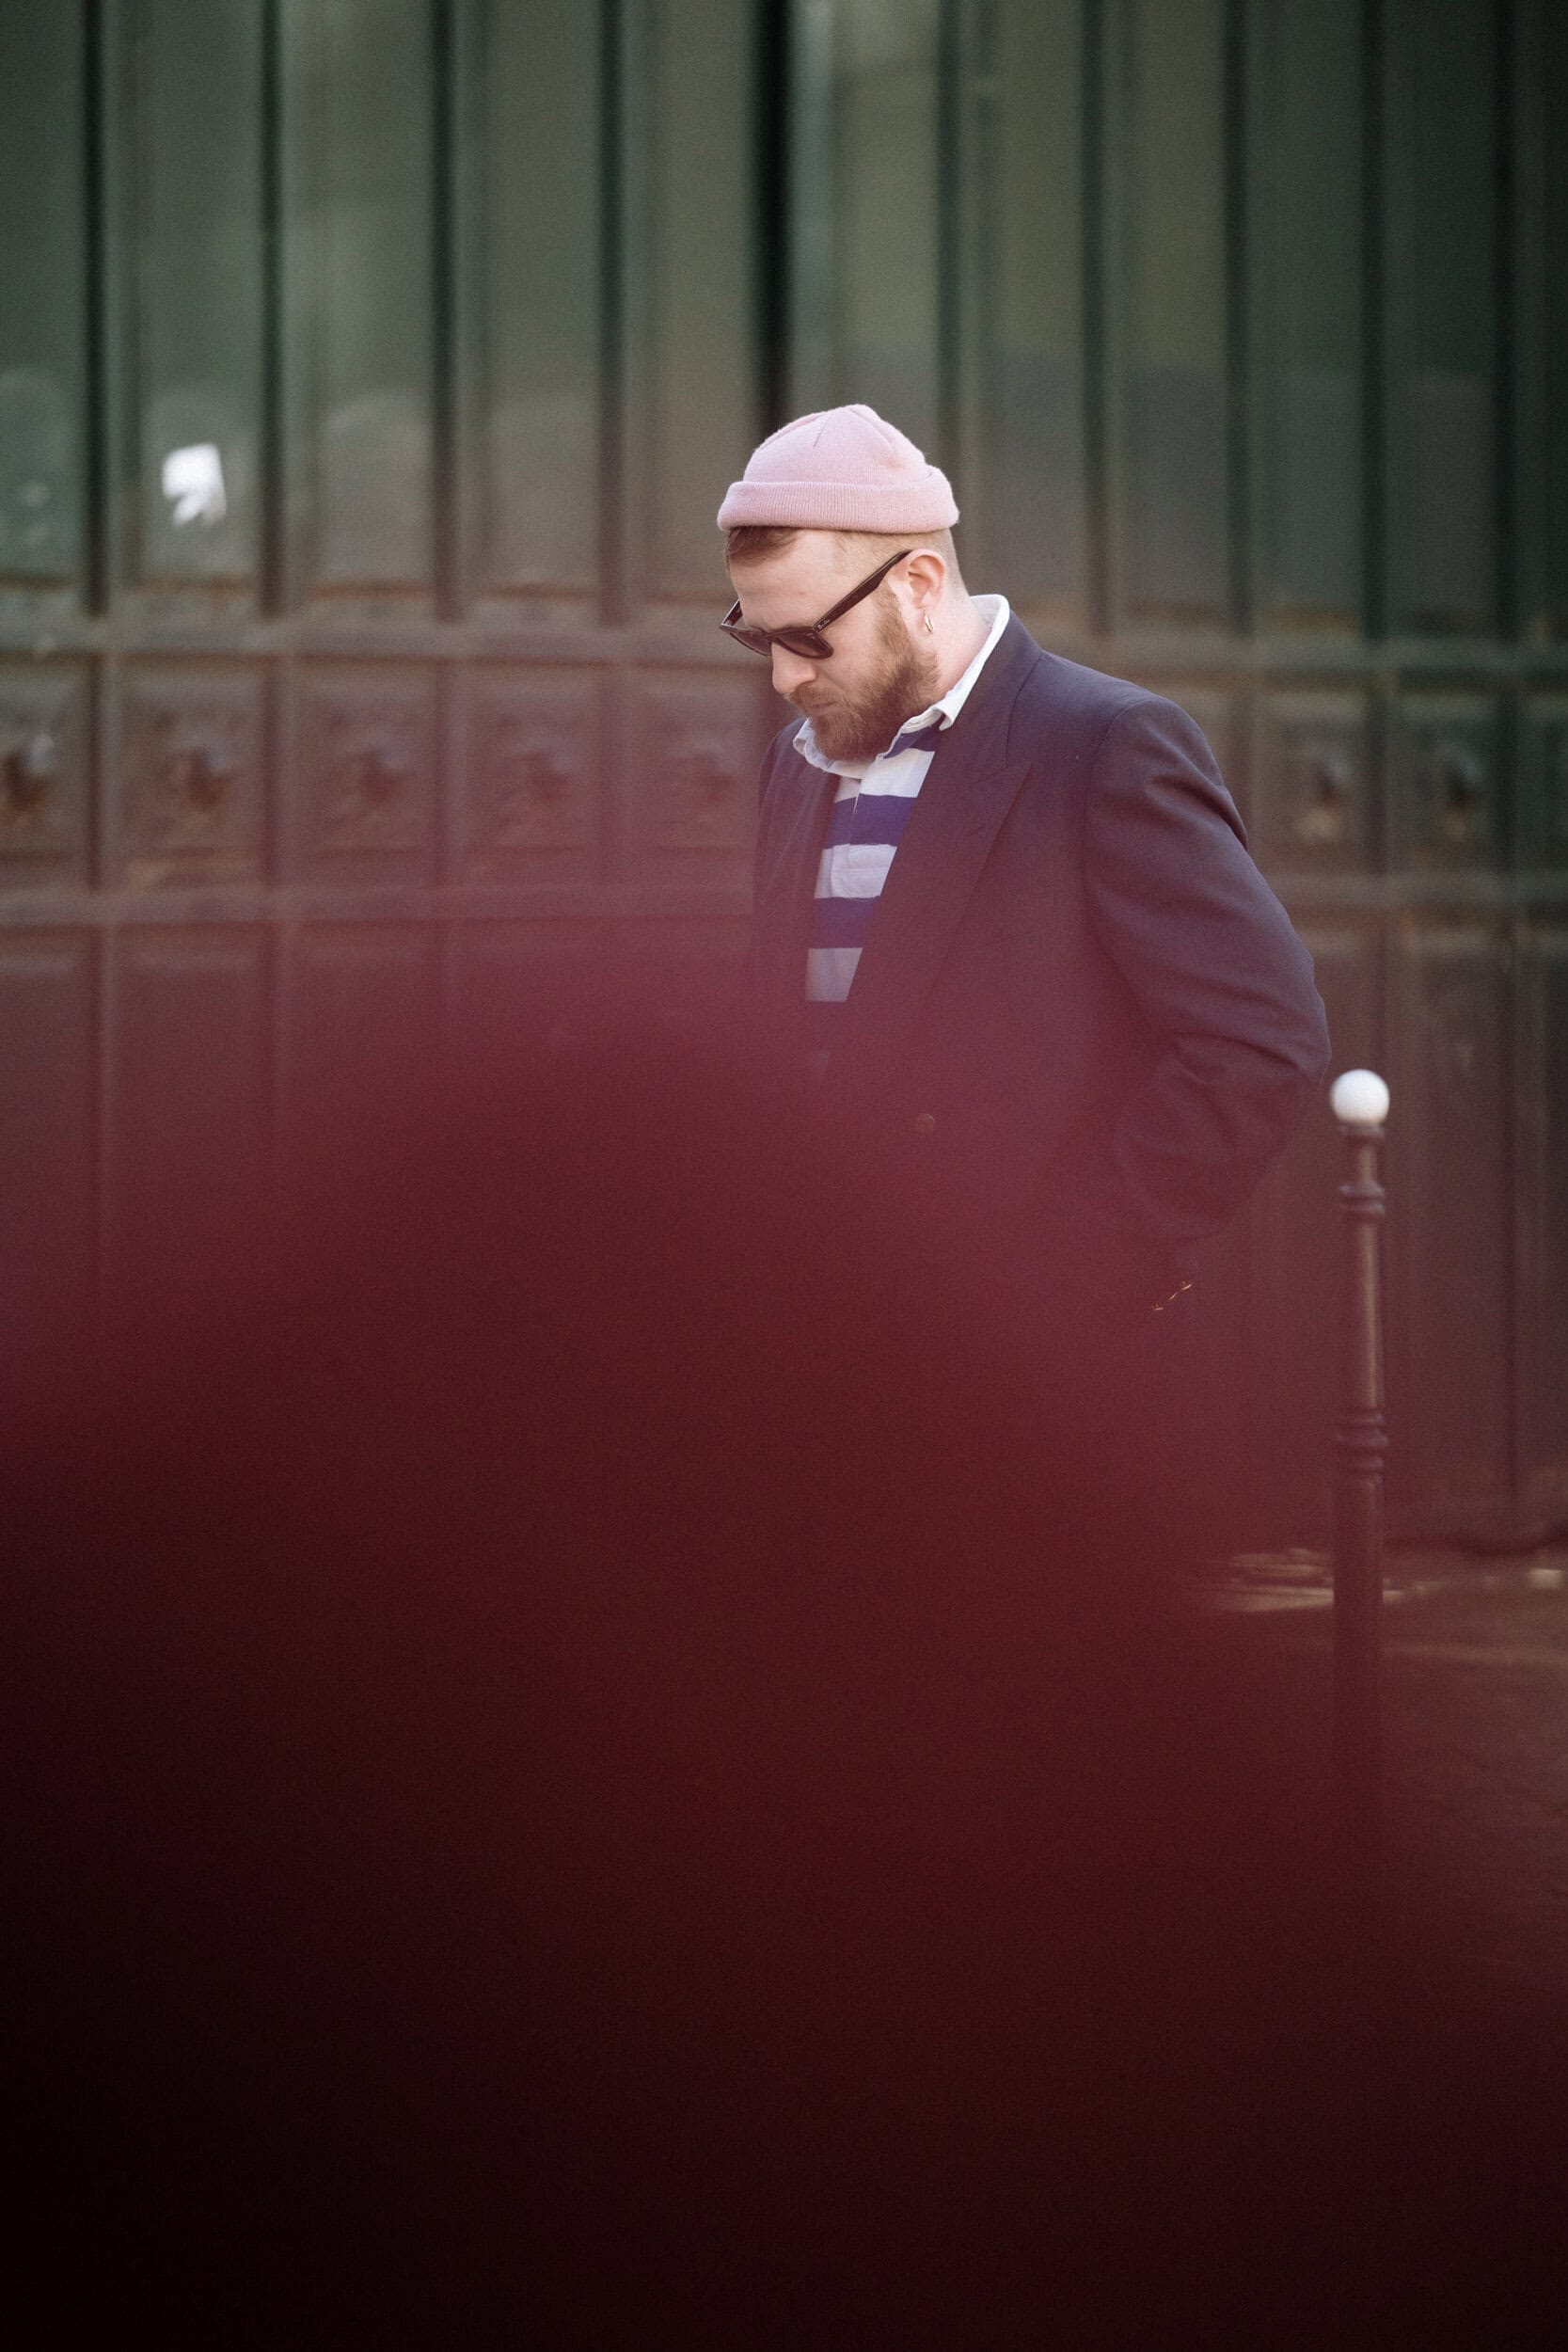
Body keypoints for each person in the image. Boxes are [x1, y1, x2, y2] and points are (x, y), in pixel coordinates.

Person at [721, 404, 1330, 1333]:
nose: (783, 678)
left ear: (917, 583)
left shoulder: (1106, 743)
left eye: (807, 639)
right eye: (760, 639)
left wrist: (1069, 1268)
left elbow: (1259, 1043)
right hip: (814, 1317)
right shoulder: (796, 762)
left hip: (1018, 1342)